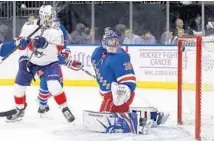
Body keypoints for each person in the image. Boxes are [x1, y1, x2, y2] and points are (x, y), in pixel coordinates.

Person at [6, 5, 75, 123]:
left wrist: (44, 46)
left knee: (54, 85)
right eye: (47, 17)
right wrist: (25, 46)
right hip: (30, 61)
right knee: (19, 87)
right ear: (41, 16)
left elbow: (57, 51)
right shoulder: (29, 26)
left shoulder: (57, 31)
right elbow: (21, 44)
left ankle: (65, 108)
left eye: (51, 18)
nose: (50, 20)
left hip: (49, 61)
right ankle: (19, 110)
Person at [37, 16, 83, 114]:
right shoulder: (44, 31)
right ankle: (42, 104)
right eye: (54, 22)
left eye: (57, 22)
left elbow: (63, 46)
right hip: (43, 62)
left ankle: (42, 99)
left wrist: (64, 52)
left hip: (54, 63)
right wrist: (70, 62)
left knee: (59, 85)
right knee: (46, 84)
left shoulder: (61, 29)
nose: (56, 24)